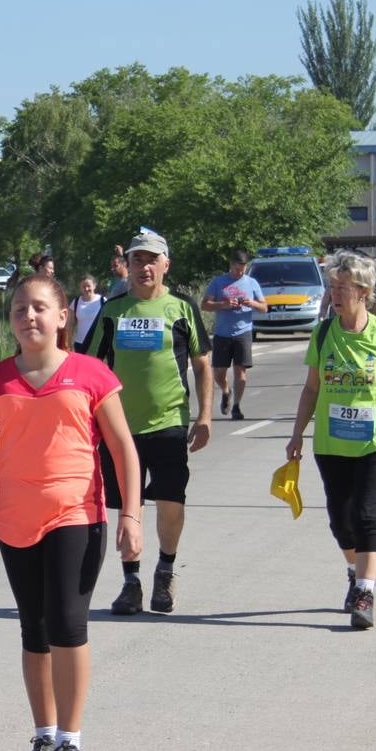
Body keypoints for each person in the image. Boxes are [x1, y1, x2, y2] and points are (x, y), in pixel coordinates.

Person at [0, 274, 141, 751]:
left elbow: (122, 447)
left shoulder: (91, 374)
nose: (29, 317)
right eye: (19, 309)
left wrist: (132, 514)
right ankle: (42, 735)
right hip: (15, 522)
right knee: (33, 629)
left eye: (40, 307)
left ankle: (71, 742)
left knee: (67, 623)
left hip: (77, 517)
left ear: (63, 317)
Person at [286, 252, 376, 630]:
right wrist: (296, 435)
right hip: (331, 443)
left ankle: (365, 592)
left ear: (362, 291)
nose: (335, 294)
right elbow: (311, 388)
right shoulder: (323, 332)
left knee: (366, 516)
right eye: (332, 287)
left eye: (342, 287)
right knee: (340, 521)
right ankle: (354, 569)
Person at [94, 230, 212, 615]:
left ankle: (165, 569)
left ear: (165, 265)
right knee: (129, 504)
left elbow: (202, 363)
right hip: (119, 427)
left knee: (170, 500)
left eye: (151, 260)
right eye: (136, 260)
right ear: (126, 265)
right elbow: (91, 366)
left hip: (169, 422)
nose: (143, 267)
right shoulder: (112, 310)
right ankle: (131, 582)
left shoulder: (182, 307)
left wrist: (206, 416)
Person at [200, 249, 267, 420]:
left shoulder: (251, 283)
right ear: (231, 265)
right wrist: (224, 304)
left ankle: (237, 406)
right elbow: (205, 305)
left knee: (240, 370)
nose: (240, 272)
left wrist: (251, 303)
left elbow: (264, 307)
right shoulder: (219, 282)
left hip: (243, 331)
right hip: (222, 333)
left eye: (243, 269)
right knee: (219, 373)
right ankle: (225, 390)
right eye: (237, 269)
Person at [68, 274, 105, 355]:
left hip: (98, 344)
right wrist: (69, 343)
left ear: (94, 286)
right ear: (80, 288)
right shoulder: (76, 302)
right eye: (83, 286)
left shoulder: (103, 301)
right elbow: (70, 325)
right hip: (80, 344)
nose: (86, 289)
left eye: (88, 286)